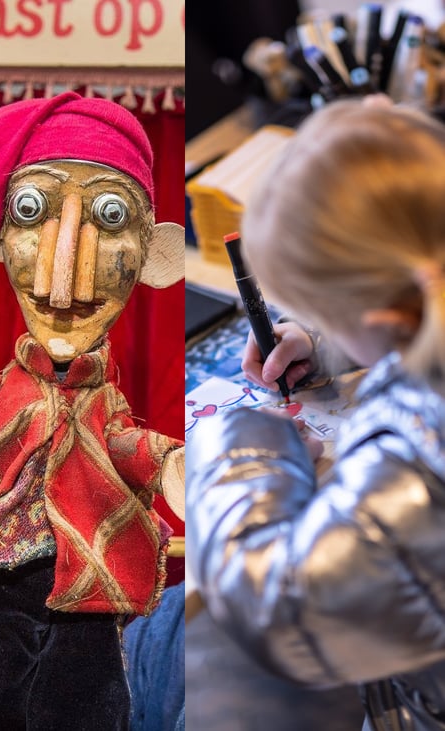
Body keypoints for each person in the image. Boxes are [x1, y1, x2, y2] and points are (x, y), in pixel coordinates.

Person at [0, 93, 186, 730]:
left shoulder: (107, 402)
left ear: (154, 255)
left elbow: (123, 442)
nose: (61, 277)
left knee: (83, 697)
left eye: (111, 216)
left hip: (90, 581)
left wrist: (171, 462)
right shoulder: (3, 384)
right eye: (31, 210)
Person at [189, 100, 445, 729]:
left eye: (324, 313)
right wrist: (316, 336)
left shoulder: (419, 464)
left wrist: (247, 447)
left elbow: (281, 609)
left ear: (383, 320)